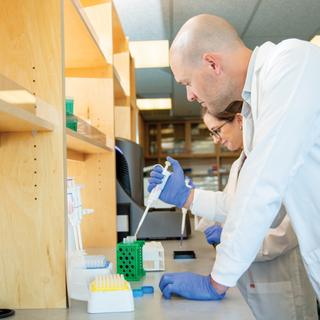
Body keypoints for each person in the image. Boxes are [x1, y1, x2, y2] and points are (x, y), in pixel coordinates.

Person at [158, 14, 320, 299]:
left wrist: (216, 282)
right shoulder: (254, 109)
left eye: (187, 82)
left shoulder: (291, 62)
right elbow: (243, 201)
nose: (190, 96)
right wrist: (189, 197)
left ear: (212, 64)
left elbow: (263, 184)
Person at [194, 102, 317, 319]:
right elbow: (232, 207)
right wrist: (190, 197)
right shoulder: (239, 165)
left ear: (240, 120)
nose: (215, 140)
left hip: (284, 277)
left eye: (217, 130)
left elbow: (290, 233)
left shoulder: (278, 158)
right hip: (251, 280)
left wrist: (236, 241)